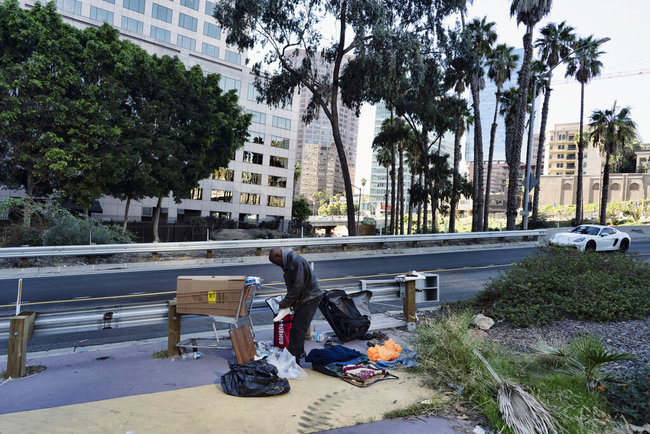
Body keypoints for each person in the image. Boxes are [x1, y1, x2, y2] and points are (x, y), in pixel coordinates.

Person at [268, 247, 323, 364]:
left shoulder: (295, 261)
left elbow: (298, 285)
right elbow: (294, 286)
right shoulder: (288, 262)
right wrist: (292, 301)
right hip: (305, 297)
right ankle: (299, 352)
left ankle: (293, 361)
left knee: (297, 329)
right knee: (297, 327)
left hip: (311, 297)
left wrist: (286, 302)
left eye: (276, 262)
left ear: (279, 256)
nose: (277, 265)